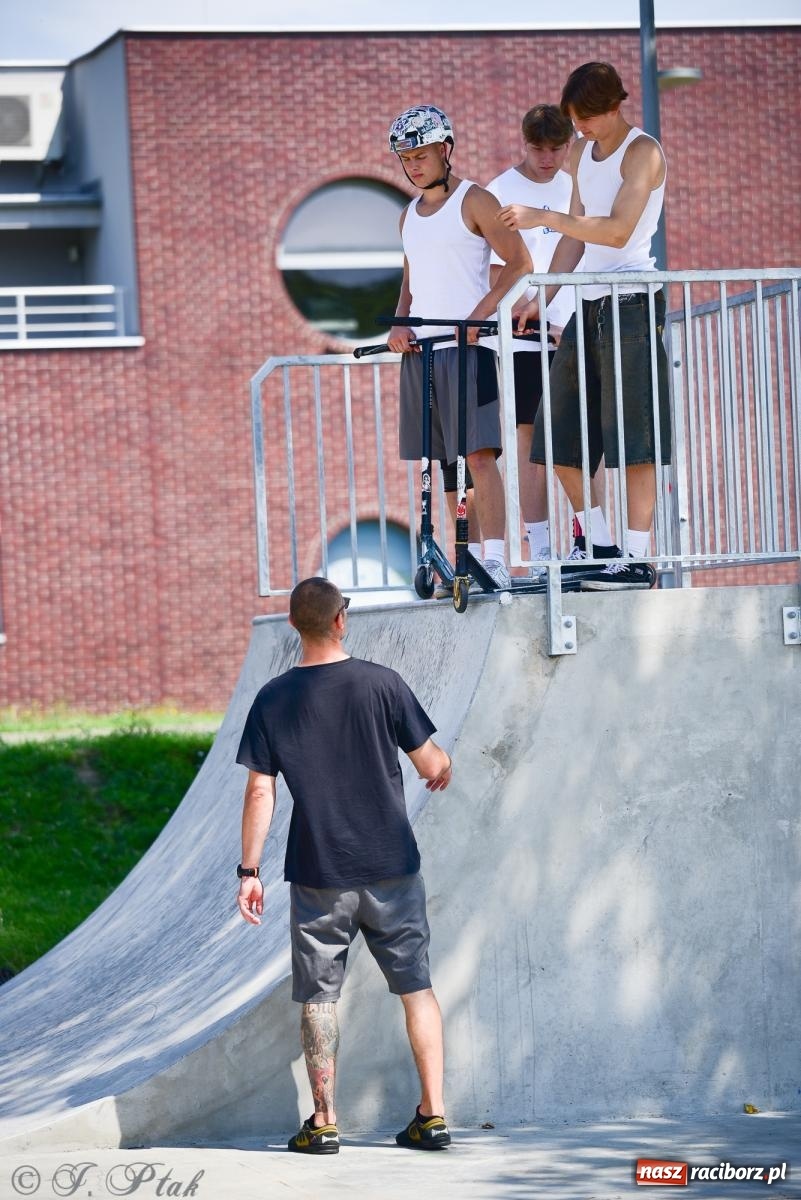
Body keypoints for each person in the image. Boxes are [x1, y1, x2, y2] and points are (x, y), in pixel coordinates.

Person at [236, 577, 454, 1155]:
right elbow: (431, 760)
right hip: (392, 867)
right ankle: (432, 1115)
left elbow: (262, 792)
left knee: (319, 997)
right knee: (417, 988)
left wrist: (248, 872)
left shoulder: (273, 699)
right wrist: (442, 763)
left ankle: (325, 1121)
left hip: (319, 874)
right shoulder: (383, 684)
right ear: (341, 620)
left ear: (294, 627)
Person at [498, 62, 671, 589]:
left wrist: (544, 217)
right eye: (576, 122)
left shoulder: (643, 152)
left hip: (634, 302)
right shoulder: (582, 159)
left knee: (635, 438)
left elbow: (617, 232)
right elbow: (577, 241)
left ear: (614, 105)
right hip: (585, 306)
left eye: (587, 120)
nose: (581, 132)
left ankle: (638, 559)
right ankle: (600, 544)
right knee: (557, 437)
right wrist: (540, 296)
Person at [387, 104, 532, 591]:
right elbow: (410, 282)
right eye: (406, 158)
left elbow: (520, 263)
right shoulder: (407, 216)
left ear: (445, 149)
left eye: (422, 154)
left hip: (466, 349)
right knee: (441, 464)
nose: (414, 164)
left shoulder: (476, 200)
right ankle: (460, 557)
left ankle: (494, 559)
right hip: (422, 354)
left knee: (479, 458)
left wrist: (481, 314)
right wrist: (399, 324)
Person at [486, 103, 595, 578]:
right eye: (538, 149)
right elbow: (494, 270)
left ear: (568, 144)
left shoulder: (579, 185)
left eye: (556, 148)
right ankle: (543, 548)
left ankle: (591, 543)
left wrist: (564, 319)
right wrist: (527, 313)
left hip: (577, 327)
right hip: (526, 335)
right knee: (531, 444)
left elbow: (589, 250)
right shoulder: (500, 193)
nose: (547, 158)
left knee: (582, 441)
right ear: (523, 142)